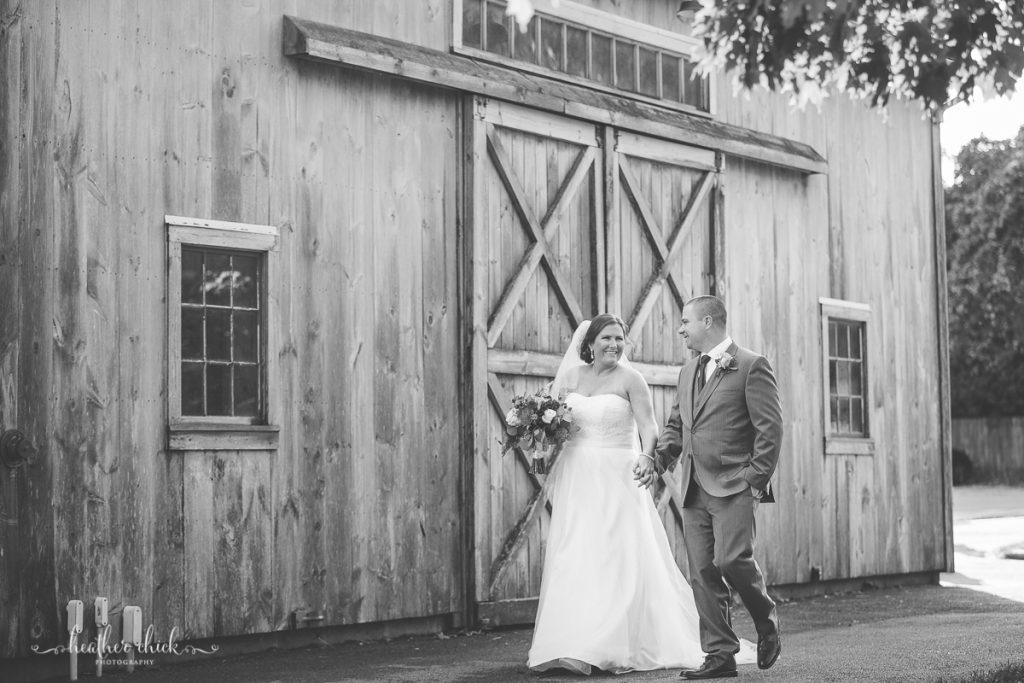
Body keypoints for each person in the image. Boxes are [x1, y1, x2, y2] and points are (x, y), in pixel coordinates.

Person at [527, 314, 755, 675]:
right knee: (574, 552)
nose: (614, 345)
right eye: (607, 338)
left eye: (619, 339)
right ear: (589, 343)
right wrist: (539, 449)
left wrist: (649, 458)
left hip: (619, 475)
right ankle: (568, 640)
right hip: (577, 476)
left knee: (614, 557)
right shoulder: (570, 379)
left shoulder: (631, 380)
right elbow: (552, 427)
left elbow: (650, 427)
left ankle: (602, 643)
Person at [639, 295, 783, 680]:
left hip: (735, 483)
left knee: (731, 560)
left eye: (685, 322)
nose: (681, 329)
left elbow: (770, 430)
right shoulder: (687, 372)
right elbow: (677, 425)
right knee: (702, 571)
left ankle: (766, 621)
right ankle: (720, 655)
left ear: (707, 321)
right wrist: (658, 459)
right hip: (694, 488)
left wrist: (754, 479)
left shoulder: (752, 365)